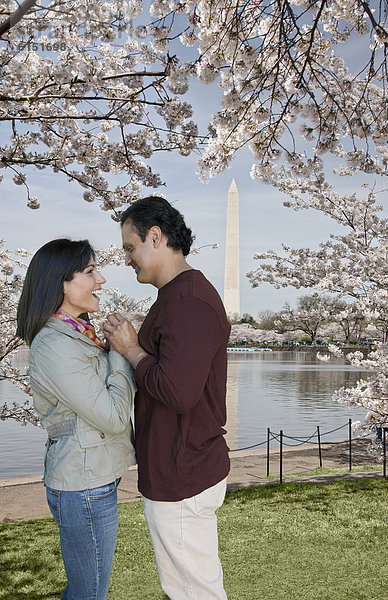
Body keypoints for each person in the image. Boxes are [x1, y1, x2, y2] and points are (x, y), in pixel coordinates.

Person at [103, 196, 231, 600]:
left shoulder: (188, 301)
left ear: (155, 237)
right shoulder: (175, 298)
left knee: (195, 593)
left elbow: (178, 391)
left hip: (184, 474)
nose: (127, 260)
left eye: (130, 247)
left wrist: (132, 350)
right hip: (175, 469)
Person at [16, 238, 136, 600]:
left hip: (91, 478)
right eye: (89, 271)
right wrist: (123, 352)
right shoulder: (55, 345)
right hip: (83, 486)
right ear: (61, 283)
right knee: (89, 594)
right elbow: (114, 417)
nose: (101, 279)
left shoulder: (76, 334)